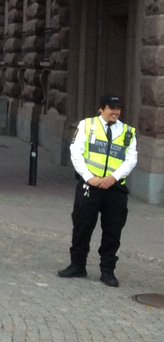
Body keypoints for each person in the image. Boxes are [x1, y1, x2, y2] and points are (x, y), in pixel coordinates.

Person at [58, 94, 138, 287]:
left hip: (114, 188)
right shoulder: (87, 125)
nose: (115, 112)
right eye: (111, 108)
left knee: (113, 230)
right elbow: (75, 153)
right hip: (90, 185)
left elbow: (131, 159)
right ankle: (77, 265)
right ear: (101, 109)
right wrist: (89, 177)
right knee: (82, 225)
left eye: (118, 108)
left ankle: (108, 271)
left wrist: (112, 178)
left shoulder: (127, 132)